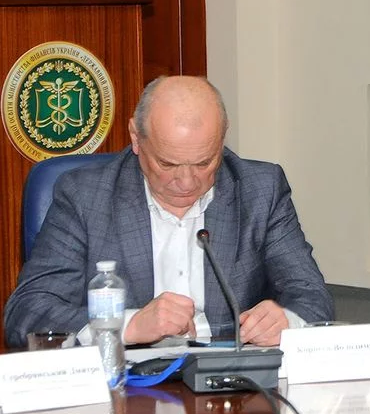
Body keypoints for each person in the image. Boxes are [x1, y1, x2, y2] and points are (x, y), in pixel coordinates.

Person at [5, 76, 333, 348]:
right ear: (136, 138)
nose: (187, 182)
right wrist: (128, 325)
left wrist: (286, 321)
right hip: (129, 383)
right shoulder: (85, 196)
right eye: (168, 163)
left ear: (222, 140)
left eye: (204, 162)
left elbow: (312, 297)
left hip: (232, 383)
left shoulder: (260, 189)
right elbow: (27, 313)